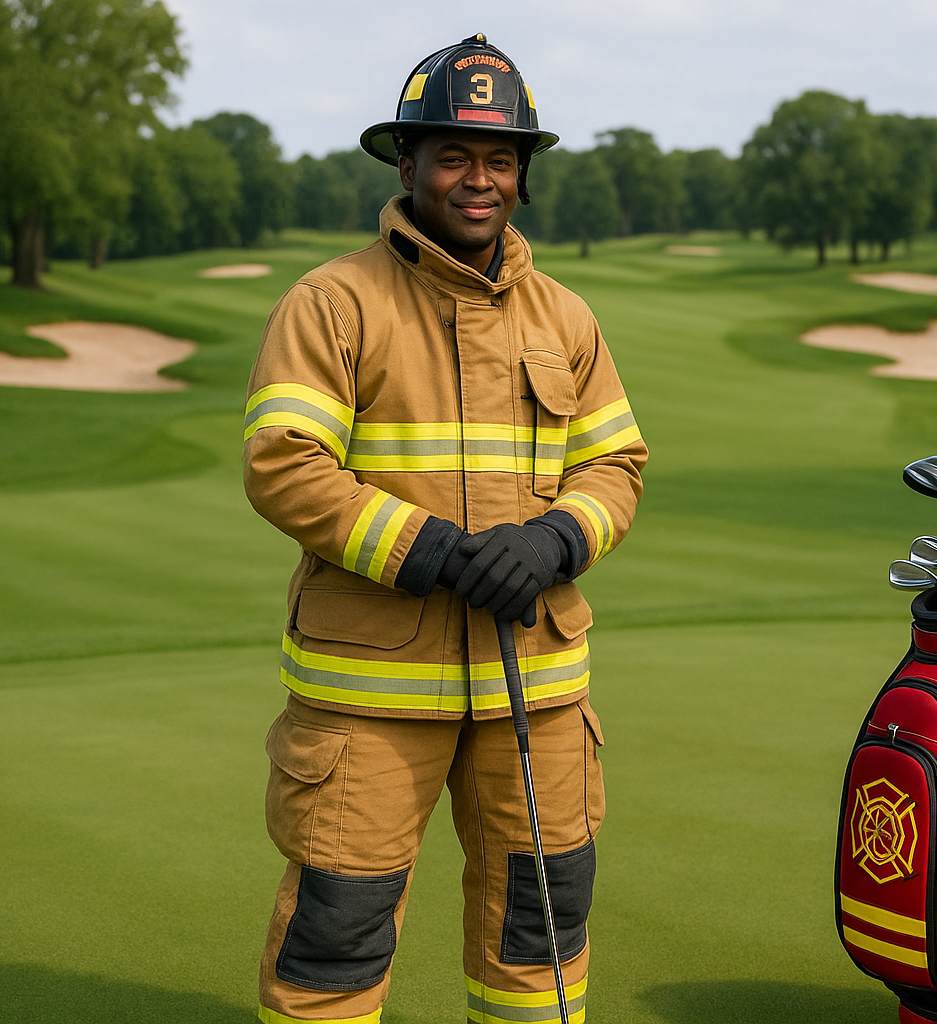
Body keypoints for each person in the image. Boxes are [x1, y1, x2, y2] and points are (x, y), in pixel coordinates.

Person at [242, 34, 648, 1024]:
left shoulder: (567, 317)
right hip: (369, 697)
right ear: (408, 162)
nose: (480, 180)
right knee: (337, 936)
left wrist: (555, 542)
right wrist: (431, 551)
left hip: (538, 691)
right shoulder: (333, 302)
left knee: (541, 932)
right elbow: (283, 463)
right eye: (456, 156)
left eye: (500, 158)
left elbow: (616, 463)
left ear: (523, 173)